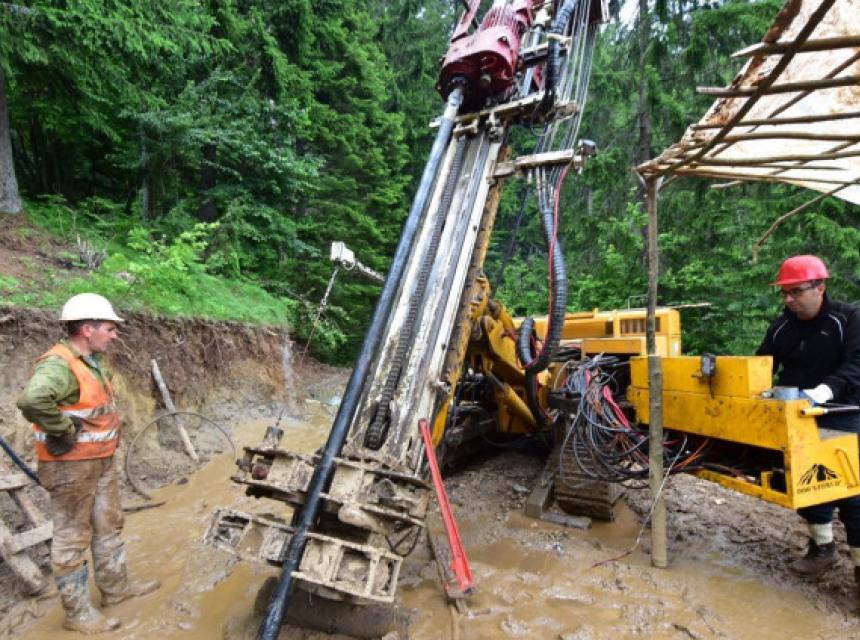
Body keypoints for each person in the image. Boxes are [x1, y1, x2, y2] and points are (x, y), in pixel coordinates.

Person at [17, 293, 159, 634]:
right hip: (70, 467)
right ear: (86, 329)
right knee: (72, 537)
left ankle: (117, 590)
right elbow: (32, 400)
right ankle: (78, 614)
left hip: (99, 462)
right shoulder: (58, 364)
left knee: (109, 525)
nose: (115, 335)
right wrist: (63, 429)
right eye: (110, 329)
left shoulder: (89, 362)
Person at [756, 255, 860, 594]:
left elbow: (857, 364)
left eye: (796, 291)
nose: (789, 299)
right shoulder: (781, 327)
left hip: (842, 412)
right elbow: (762, 363)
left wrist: (824, 391)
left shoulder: (848, 319)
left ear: (820, 287)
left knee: (850, 490)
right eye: (784, 293)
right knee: (806, 482)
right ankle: (822, 548)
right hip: (797, 417)